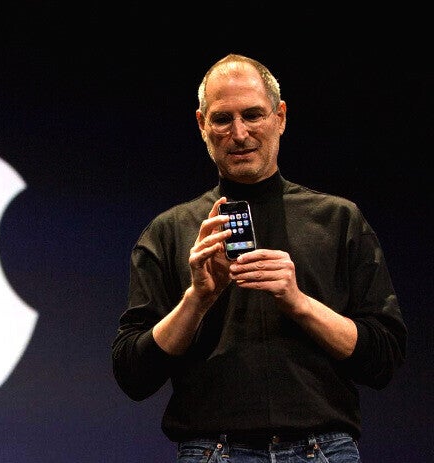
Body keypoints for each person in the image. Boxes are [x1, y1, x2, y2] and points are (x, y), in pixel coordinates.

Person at [111, 53, 407, 462]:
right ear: (201, 125)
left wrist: (299, 303)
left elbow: (384, 358)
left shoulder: (339, 219)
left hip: (323, 450)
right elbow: (132, 374)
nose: (239, 133)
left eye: (253, 115)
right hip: (213, 451)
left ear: (280, 117)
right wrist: (196, 300)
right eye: (222, 119)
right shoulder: (168, 232)